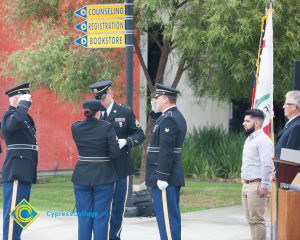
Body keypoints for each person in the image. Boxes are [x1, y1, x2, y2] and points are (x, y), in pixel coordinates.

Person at [89, 81, 145, 240]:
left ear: (111, 94)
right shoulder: (94, 114)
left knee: (117, 209)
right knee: (100, 209)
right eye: (97, 97)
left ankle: (114, 237)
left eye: (103, 96)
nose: (100, 100)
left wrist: (126, 142)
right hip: (100, 170)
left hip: (120, 168)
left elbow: (140, 135)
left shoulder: (124, 112)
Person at [71, 99, 121, 240]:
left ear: (84, 112)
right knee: (101, 217)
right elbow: (115, 153)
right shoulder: (107, 127)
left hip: (81, 176)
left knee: (84, 217)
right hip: (103, 176)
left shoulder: (75, 127)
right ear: (98, 112)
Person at [146, 83, 187, 240]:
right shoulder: (170, 116)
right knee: (169, 219)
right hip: (167, 175)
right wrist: (155, 112)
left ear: (165, 99)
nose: (155, 101)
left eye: (157, 98)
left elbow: (166, 150)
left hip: (165, 177)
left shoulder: (169, 119)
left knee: (167, 221)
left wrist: (162, 176)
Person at [1, 83, 38, 240]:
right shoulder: (9, 116)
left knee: (22, 212)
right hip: (16, 170)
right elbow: (12, 124)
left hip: (26, 169)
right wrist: (22, 104)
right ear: (16, 98)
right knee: (12, 212)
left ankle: (16, 237)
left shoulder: (23, 118)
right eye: (25, 99)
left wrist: (22, 107)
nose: (28, 103)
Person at [241, 109, 273, 240]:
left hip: (257, 185)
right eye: (244, 120)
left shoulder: (263, 140)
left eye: (247, 121)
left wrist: (265, 185)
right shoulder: (249, 139)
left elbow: (267, 164)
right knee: (251, 220)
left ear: (257, 123)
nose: (244, 123)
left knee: (257, 220)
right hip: (247, 185)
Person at [275, 90, 300, 161]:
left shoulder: (297, 126)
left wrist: (279, 171)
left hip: (287, 171)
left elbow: (292, 157)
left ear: (294, 107)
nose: (283, 106)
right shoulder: (292, 124)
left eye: (286, 104)